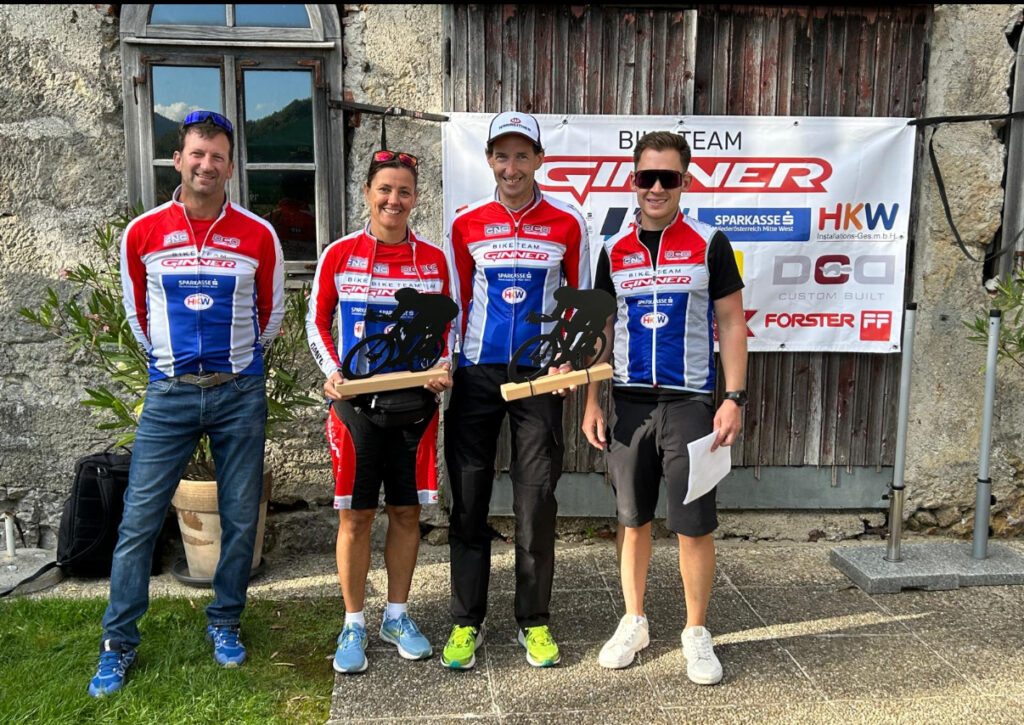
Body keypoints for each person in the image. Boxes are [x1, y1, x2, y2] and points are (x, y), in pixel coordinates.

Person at [90, 110, 285, 696]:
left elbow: (271, 312)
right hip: (170, 392)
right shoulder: (143, 232)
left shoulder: (258, 234)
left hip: (238, 393)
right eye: (197, 154)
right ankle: (118, 643)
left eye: (217, 156)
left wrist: (239, 363)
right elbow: (135, 311)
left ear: (230, 166)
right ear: (178, 161)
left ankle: (225, 621)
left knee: (241, 516)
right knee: (138, 520)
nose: (206, 165)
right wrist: (167, 364)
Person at [583, 131, 748, 682]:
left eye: (667, 177)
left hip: (690, 402)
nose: (656, 188)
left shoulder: (709, 242)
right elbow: (602, 328)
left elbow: (732, 322)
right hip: (629, 402)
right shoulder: (613, 249)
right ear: (633, 181)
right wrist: (592, 400)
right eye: (646, 177)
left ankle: (696, 631)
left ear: (685, 181)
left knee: (693, 525)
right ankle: (634, 620)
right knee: (632, 520)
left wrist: (733, 398)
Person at [443, 111, 590, 669]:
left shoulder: (567, 221)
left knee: (536, 503)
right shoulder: (466, 223)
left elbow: (579, 300)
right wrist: (447, 363)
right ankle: (466, 621)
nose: (512, 167)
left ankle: (534, 621)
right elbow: (455, 302)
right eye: (502, 156)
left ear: (539, 160)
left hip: (538, 376)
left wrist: (567, 361)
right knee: (469, 502)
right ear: (489, 161)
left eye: (522, 155)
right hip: (476, 374)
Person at [306, 149, 454, 674]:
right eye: (385, 189)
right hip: (356, 409)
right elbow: (316, 320)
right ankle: (354, 622)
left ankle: (396, 615)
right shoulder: (339, 254)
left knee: (408, 513)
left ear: (415, 198)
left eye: (404, 191)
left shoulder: (433, 260)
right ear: (367, 192)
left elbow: (449, 328)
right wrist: (332, 371)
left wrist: (442, 364)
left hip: (415, 407)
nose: (394, 199)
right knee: (356, 516)